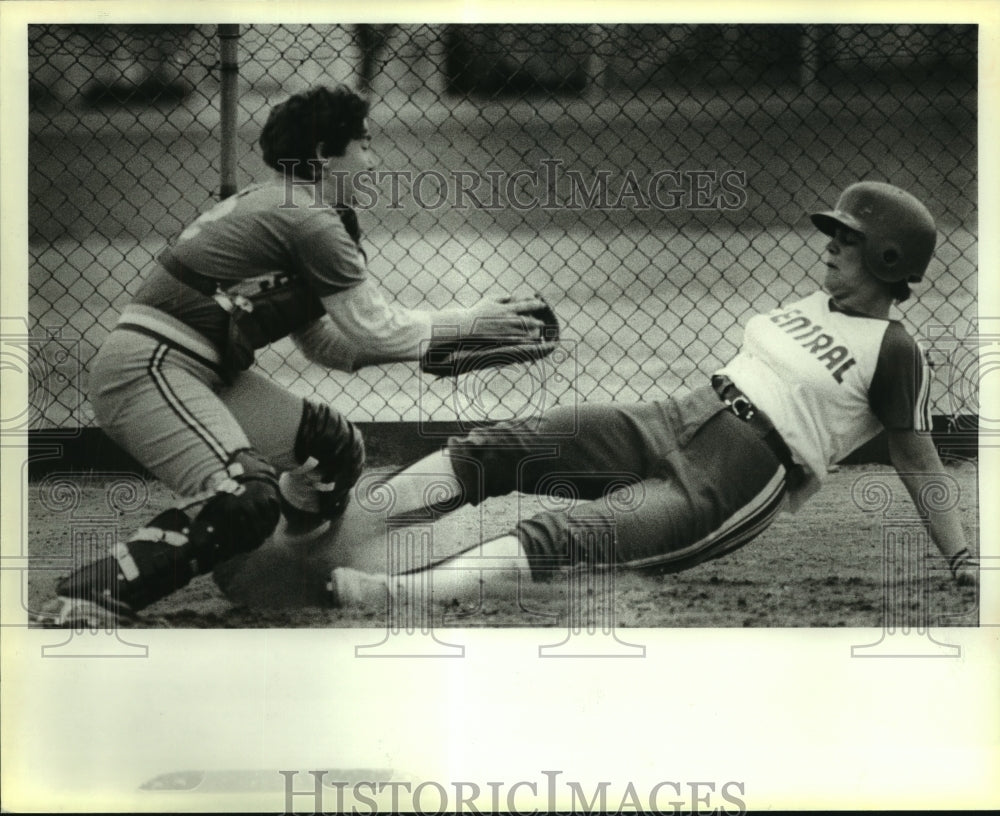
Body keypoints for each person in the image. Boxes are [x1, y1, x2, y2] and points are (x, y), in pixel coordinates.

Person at [221, 180, 979, 611]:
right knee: (504, 446)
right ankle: (350, 529)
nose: (830, 246)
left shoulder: (894, 349)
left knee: (567, 536)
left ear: (886, 258)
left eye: (846, 240)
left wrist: (963, 557)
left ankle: (399, 594)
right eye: (834, 235)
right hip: (677, 416)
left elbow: (918, 460)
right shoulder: (813, 309)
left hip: (738, 478)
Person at [35, 84, 546, 627]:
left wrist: (439, 345)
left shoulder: (295, 208)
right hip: (148, 368)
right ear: (326, 154)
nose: (372, 161)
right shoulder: (307, 218)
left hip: (197, 370)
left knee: (332, 447)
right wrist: (469, 321)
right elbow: (374, 327)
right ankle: (89, 595)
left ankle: (277, 560)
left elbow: (326, 342)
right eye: (364, 144)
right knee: (241, 497)